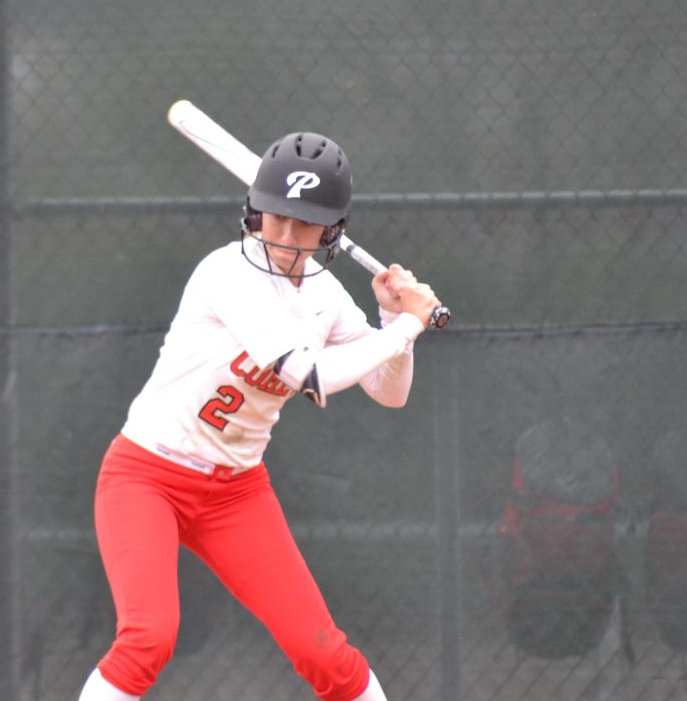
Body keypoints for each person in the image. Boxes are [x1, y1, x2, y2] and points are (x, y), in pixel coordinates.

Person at [76, 132, 441, 701]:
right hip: (147, 476)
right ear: (253, 213)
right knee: (149, 637)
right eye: (274, 219)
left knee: (321, 650)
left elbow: (386, 391)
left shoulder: (323, 294)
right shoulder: (226, 275)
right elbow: (310, 374)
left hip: (236, 493)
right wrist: (406, 326)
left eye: (304, 225)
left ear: (332, 232)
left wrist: (391, 322)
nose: (286, 237)